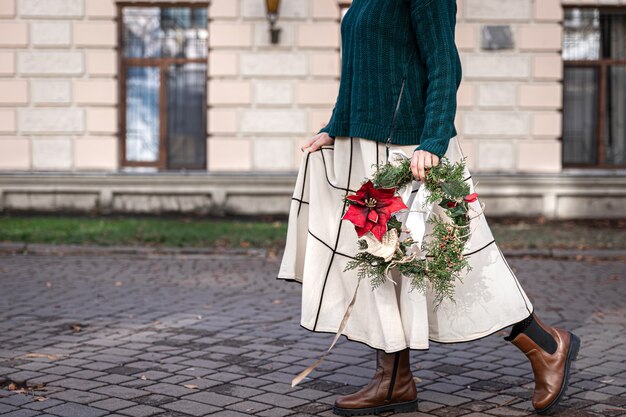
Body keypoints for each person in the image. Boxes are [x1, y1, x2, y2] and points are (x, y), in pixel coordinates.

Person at [277, 0, 580, 415]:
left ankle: (547, 345)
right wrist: (335, 126)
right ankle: (394, 380)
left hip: (411, 152)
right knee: (385, 268)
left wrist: (434, 141)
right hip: (365, 147)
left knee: (459, 263)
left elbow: (443, 64)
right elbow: (360, 73)